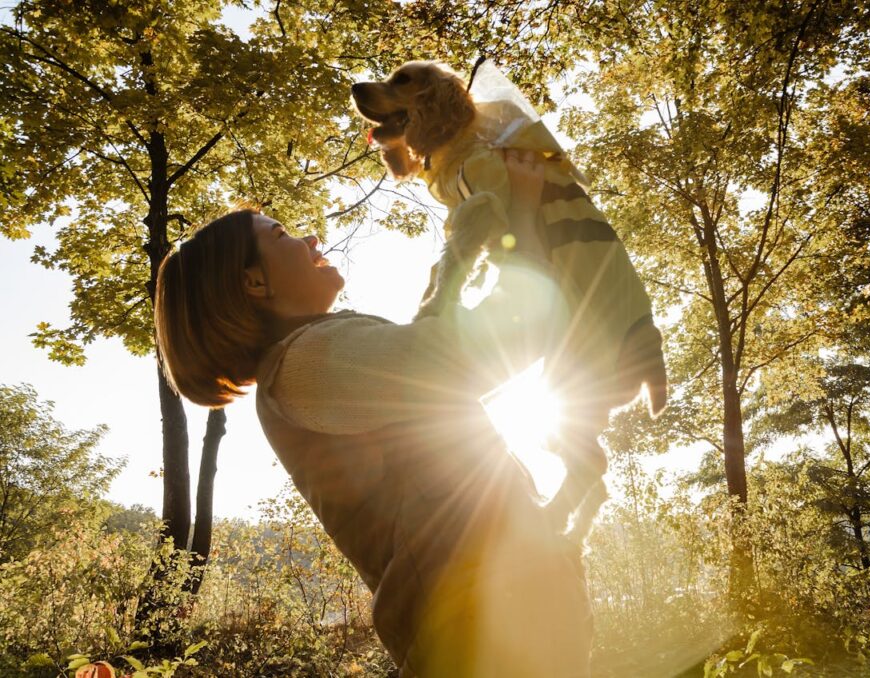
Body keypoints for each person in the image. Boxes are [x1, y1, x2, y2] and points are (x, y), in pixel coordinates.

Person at [153, 151, 593, 677]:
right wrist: (521, 223)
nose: (310, 240)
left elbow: (431, 342)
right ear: (254, 283)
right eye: (282, 235)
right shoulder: (303, 366)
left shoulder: (322, 354)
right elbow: (463, 357)